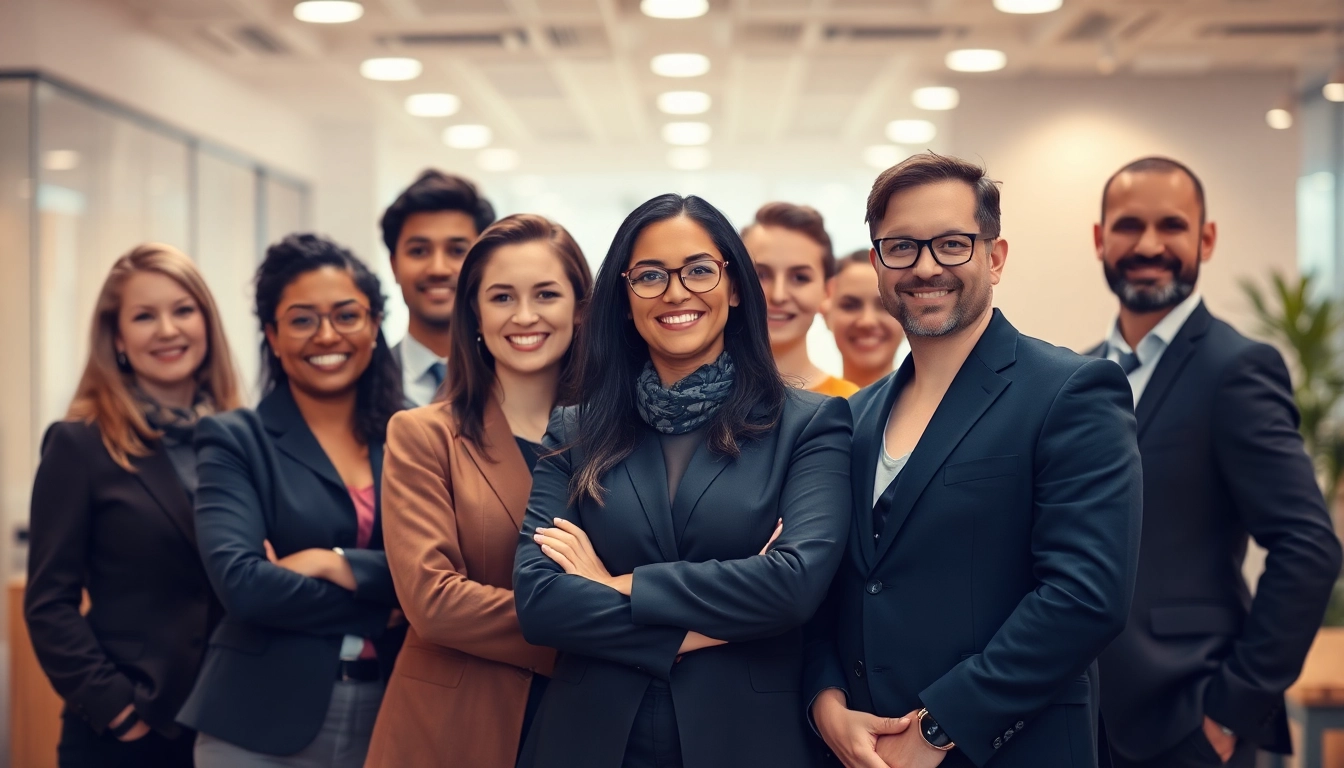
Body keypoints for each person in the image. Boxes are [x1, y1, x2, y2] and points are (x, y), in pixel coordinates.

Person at [804, 152, 1142, 768]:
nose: (926, 266)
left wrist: (937, 730)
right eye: (900, 246)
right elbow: (827, 588)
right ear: (877, 264)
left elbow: (1085, 597)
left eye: (952, 243)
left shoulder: (1071, 391)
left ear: (995, 256)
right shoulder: (850, 418)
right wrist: (826, 703)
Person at [512, 193, 853, 768]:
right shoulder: (575, 429)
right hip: (587, 739)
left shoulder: (809, 423)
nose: (675, 292)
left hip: (749, 742)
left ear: (736, 286)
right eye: (649, 275)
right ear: (623, 300)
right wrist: (705, 627)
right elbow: (541, 601)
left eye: (699, 270)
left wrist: (614, 583)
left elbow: (794, 586)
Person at [1089, 157, 1342, 768]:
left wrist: (1231, 710)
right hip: (1082, 717)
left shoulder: (1236, 369)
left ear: (1206, 238)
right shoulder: (1083, 374)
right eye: (1128, 225)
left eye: (1171, 225)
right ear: (1099, 238)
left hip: (1187, 719)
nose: (1149, 244)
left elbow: (1308, 545)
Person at [365, 214, 592, 767]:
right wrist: (604, 626)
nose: (524, 316)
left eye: (546, 293)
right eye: (501, 297)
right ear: (474, 314)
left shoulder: (620, 438)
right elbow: (433, 602)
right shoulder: (423, 434)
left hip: (589, 720)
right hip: (451, 731)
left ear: (581, 308)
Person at [178, 234, 406, 767]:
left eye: (347, 315)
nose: (327, 334)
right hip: (256, 720)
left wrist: (334, 564)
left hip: (393, 713)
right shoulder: (234, 439)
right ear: (273, 336)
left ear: (374, 326)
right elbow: (245, 587)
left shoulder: (413, 434)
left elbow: (444, 569)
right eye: (302, 319)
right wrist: (391, 607)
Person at [25, 243, 241, 768]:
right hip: (129, 734)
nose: (167, 330)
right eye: (145, 316)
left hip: (232, 726)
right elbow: (49, 603)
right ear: (118, 338)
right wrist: (117, 710)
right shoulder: (79, 444)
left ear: (207, 324)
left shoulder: (240, 437)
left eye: (183, 310)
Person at [380, 169, 498, 406]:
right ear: (394, 265)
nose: (438, 269)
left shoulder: (517, 382)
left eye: (457, 251)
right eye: (419, 251)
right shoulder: (362, 385)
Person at [743, 202, 859, 397]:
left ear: (827, 291)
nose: (778, 295)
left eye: (800, 278)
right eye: (761, 275)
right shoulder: (699, 399)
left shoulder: (850, 404)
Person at [822, 249, 909, 388]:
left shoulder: (940, 406)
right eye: (849, 306)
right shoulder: (801, 407)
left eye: (885, 306)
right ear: (825, 313)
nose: (867, 321)